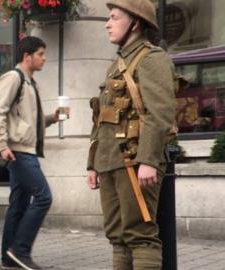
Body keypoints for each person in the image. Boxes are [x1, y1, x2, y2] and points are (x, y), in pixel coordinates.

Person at [86, 1, 177, 269]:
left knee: (140, 235)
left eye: (114, 17)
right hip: (110, 162)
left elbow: (160, 112)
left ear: (135, 23)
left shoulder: (152, 58)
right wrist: (92, 164)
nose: (107, 23)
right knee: (117, 236)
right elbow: (100, 117)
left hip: (135, 160)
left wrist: (149, 160)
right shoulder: (116, 65)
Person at [0, 36, 59, 270]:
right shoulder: (13, 78)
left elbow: (27, 120)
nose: (44, 58)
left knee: (18, 204)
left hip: (25, 149)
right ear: (27, 56)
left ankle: (8, 258)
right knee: (43, 197)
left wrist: (51, 118)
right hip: (18, 152)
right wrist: (2, 145)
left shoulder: (31, 83)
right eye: (41, 54)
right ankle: (20, 250)